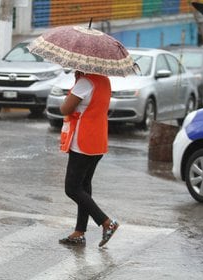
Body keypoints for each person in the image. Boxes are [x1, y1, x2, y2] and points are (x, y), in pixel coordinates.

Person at [58, 70, 119, 247]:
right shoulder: (104, 81)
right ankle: (79, 232)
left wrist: (68, 97)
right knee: (84, 186)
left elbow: (65, 109)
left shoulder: (85, 82)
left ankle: (107, 222)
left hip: (83, 141)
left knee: (72, 188)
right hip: (98, 140)